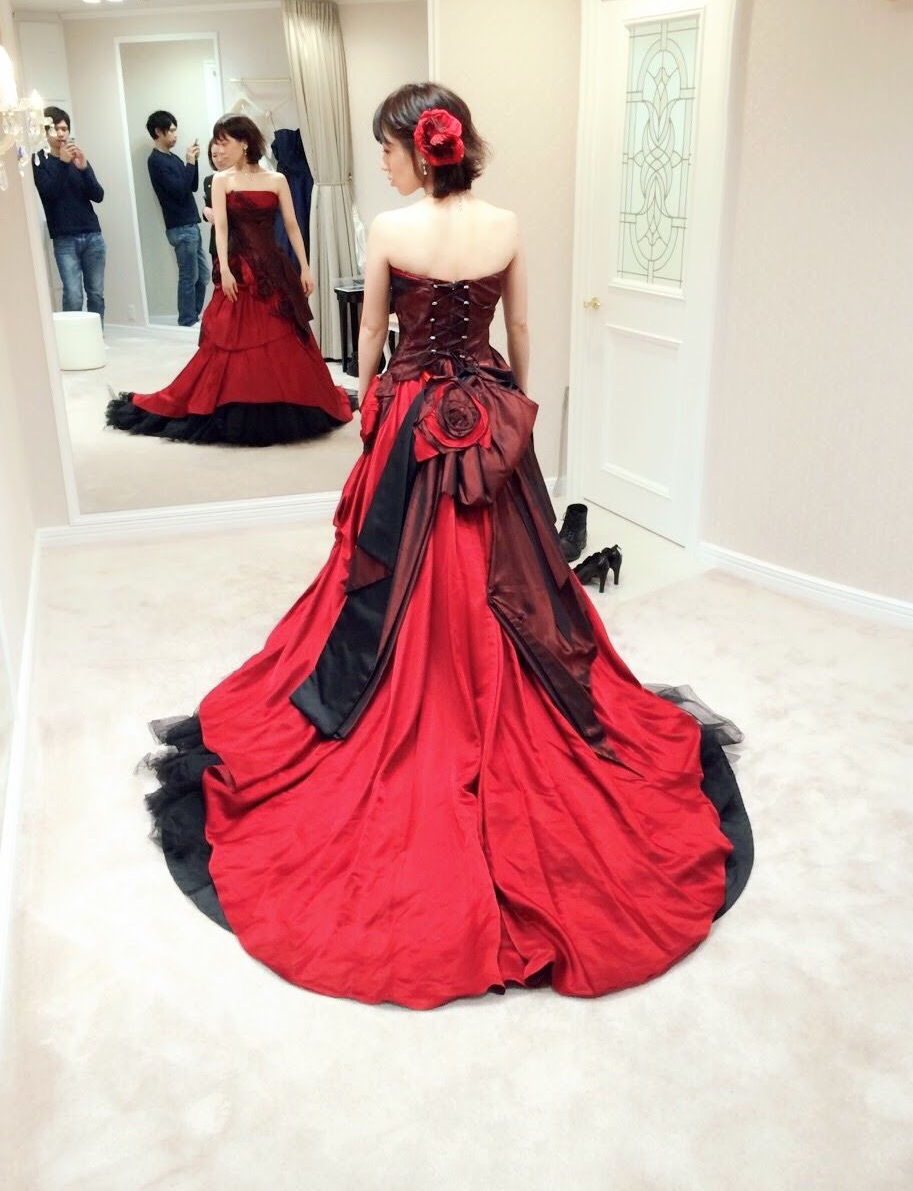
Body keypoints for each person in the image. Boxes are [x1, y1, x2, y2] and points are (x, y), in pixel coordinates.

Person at [140, 84, 752, 1008]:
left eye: (388, 149)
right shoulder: (505, 224)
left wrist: (370, 411)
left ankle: (410, 700)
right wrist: (516, 415)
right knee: (518, 571)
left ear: (418, 148)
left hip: (412, 416)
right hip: (490, 409)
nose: (383, 164)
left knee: (386, 570)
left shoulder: (391, 230)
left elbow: (370, 335)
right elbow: (522, 330)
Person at [106, 115, 353, 445]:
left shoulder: (276, 179)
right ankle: (232, 403)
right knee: (230, 339)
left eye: (224, 142)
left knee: (283, 337)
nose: (218, 149)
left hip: (273, 267)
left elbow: (292, 226)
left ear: (244, 143)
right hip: (239, 268)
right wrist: (224, 267)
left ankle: (285, 401)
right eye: (217, 142)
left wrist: (306, 268)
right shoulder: (222, 180)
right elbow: (221, 227)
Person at [33, 107, 106, 327]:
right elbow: (49, 193)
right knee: (73, 294)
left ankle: (96, 337)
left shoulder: (77, 158)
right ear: (45, 131)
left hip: (93, 234)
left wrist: (84, 169)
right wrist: (64, 164)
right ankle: (72, 341)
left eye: (64, 128)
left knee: (96, 293)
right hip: (64, 238)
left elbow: (98, 195)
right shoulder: (39, 160)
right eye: (55, 128)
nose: (61, 133)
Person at [146, 109, 210, 327]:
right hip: (180, 227)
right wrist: (189, 163)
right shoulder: (156, 161)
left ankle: (192, 316)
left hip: (190, 224)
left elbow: (191, 186)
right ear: (158, 131)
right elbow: (179, 191)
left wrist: (193, 162)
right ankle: (187, 320)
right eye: (171, 130)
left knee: (203, 275)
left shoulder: (172, 158)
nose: (175, 135)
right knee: (189, 276)